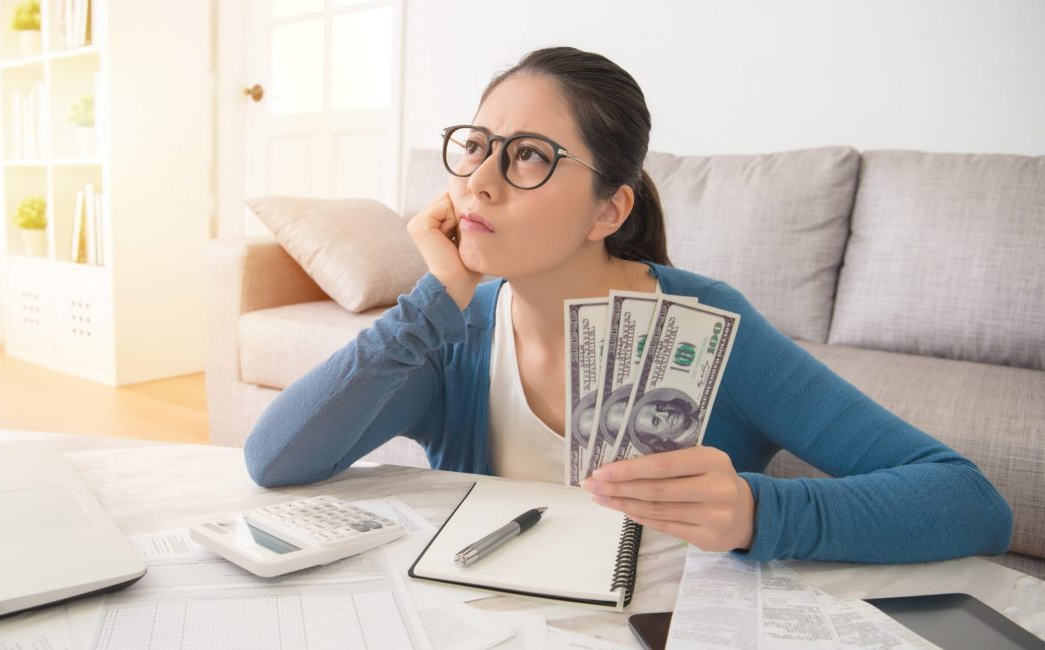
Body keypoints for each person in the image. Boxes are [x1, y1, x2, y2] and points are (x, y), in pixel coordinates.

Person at [245, 46, 1012, 563]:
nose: (479, 179)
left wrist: (755, 512)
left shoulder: (715, 329)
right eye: (477, 145)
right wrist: (433, 298)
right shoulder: (447, 333)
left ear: (607, 212)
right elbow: (275, 460)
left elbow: (971, 502)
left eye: (530, 158)